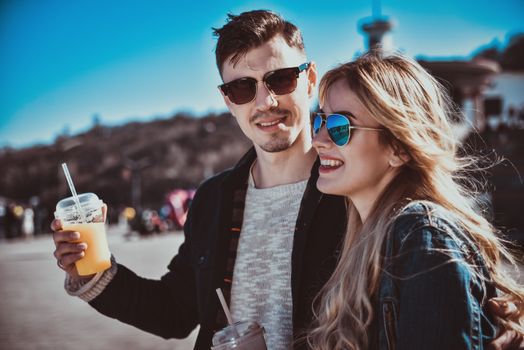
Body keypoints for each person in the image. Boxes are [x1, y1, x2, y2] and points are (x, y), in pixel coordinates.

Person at [52, 10, 521, 350]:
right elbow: (176, 313)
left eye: (278, 79)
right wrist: (95, 272)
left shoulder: (361, 193)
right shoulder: (215, 198)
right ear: (227, 99)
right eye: (242, 87)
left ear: (307, 77)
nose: (264, 101)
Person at [307, 51, 524, 349]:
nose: (318, 138)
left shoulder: (424, 236)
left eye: (339, 128)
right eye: (319, 121)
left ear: (399, 148)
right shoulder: (373, 240)